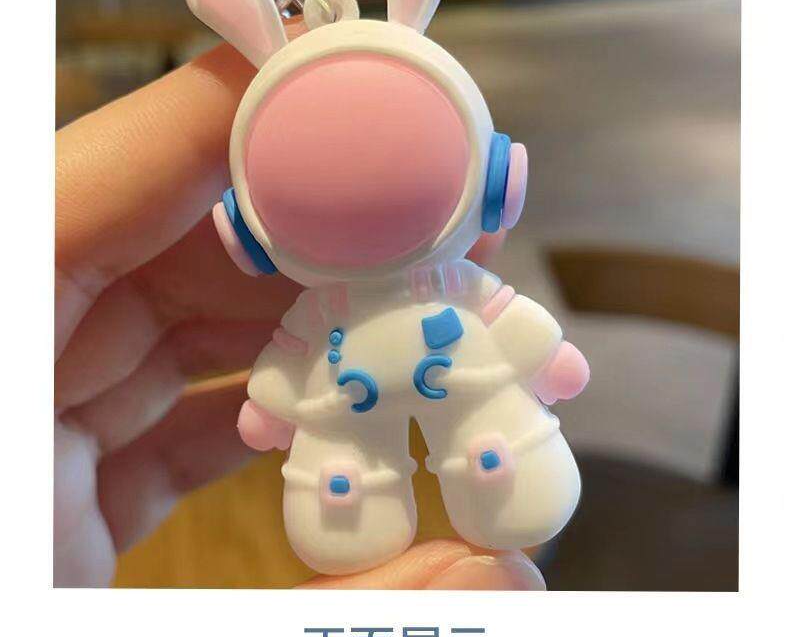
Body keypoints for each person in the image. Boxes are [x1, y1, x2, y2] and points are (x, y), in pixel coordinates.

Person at [55, 37, 546, 591]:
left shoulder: (446, 284)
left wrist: (542, 353)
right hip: (345, 402)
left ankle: (496, 462)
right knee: (343, 483)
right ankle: (350, 489)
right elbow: (291, 353)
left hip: (456, 378)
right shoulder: (329, 305)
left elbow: (499, 311)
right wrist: (273, 403)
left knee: (493, 453)